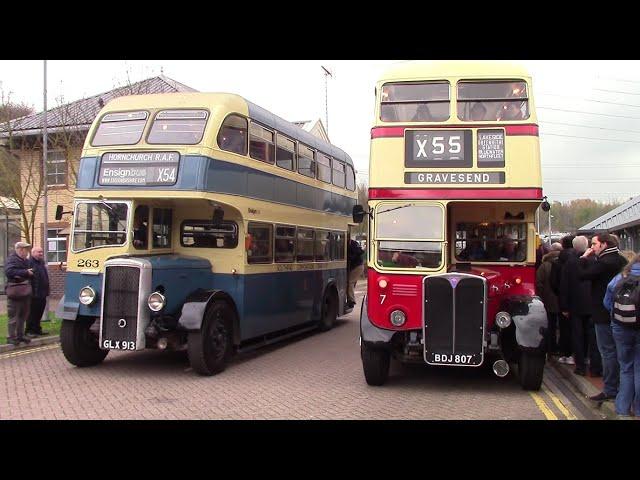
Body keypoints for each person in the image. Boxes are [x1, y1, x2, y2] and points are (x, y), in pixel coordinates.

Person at [579, 232, 628, 401]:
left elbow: (581, 274)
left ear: (604, 244)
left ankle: (609, 389)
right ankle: (622, 389)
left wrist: (584, 257)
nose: (591, 247)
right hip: (621, 312)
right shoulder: (622, 260)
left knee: (607, 352)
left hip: (603, 312)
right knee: (621, 353)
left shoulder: (604, 263)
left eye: (594, 244)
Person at [603, 253, 640, 418]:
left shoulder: (620, 277)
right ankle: (638, 409)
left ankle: (622, 408)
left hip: (620, 327)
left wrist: (617, 318)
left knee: (625, 368)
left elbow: (607, 302)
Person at [558, 235, 594, 375]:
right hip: (592, 304)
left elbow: (564, 286)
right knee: (590, 335)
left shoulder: (570, 263)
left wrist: (564, 307)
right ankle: (590, 362)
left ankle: (580, 366)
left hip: (575, 304)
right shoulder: (595, 261)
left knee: (577, 335)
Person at [4, 241, 34, 346]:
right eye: (26, 250)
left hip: (24, 291)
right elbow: (9, 272)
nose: (27, 252)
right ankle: (11, 337)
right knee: (14, 316)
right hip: (15, 292)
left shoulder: (25, 260)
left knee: (23, 315)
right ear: (20, 249)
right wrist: (26, 272)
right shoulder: (12, 259)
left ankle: (20, 335)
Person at [536, 242, 562, 354]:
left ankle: (551, 347)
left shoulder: (545, 265)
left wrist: (543, 296)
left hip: (548, 300)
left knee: (550, 325)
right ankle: (562, 347)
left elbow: (539, 283)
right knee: (563, 326)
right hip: (563, 301)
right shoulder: (565, 263)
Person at [25, 246, 50, 337]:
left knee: (39, 312)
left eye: (42, 252)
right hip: (34, 293)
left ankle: (37, 329)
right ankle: (29, 331)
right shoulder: (30, 263)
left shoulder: (41, 263)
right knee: (32, 313)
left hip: (42, 292)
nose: (41, 254)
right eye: (39, 252)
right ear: (33, 253)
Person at [347, 238, 365, 308]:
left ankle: (351, 300)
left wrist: (350, 257)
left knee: (350, 282)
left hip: (357, 266)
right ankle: (349, 298)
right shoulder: (351, 243)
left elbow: (360, 251)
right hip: (357, 266)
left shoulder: (352, 244)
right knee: (351, 282)